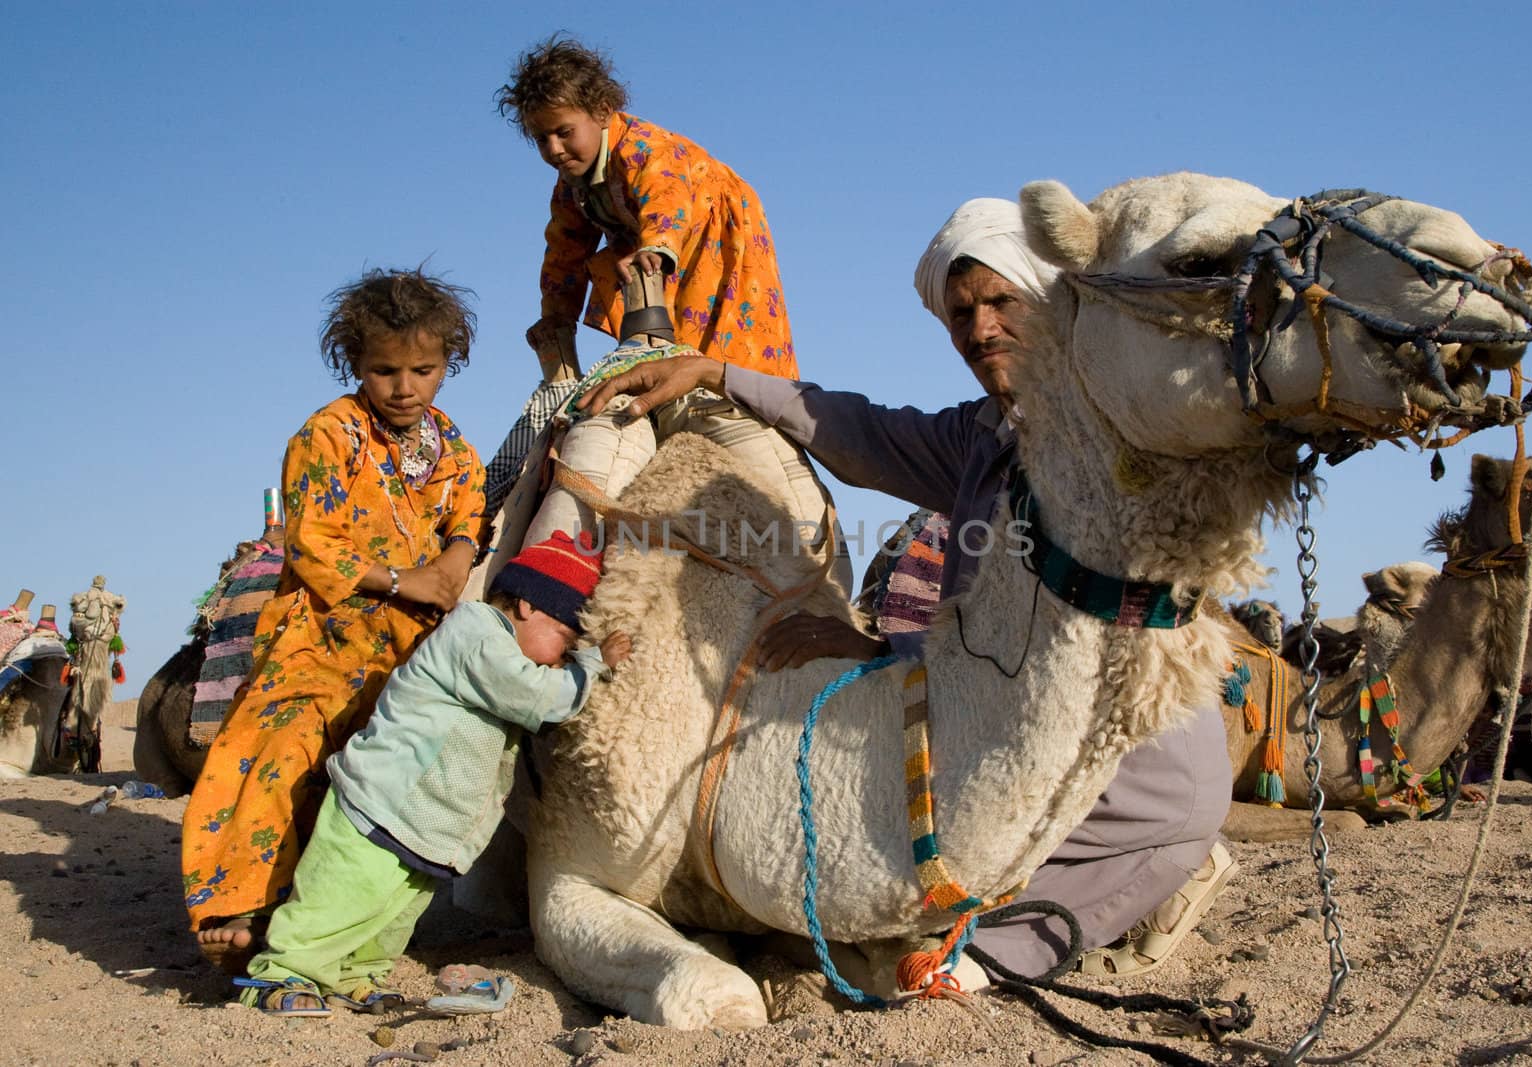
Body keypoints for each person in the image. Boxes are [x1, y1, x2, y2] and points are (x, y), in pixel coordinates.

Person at [574, 198, 1237, 979]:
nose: (981, 330)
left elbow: (1067, 635)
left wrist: (889, 643)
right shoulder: (981, 435)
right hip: (1010, 714)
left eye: (1001, 303)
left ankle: (1070, 918)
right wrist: (718, 372)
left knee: (977, 931)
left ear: (1048, 304)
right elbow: (862, 432)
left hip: (1128, 753)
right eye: (961, 314)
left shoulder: (1102, 439)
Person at [183, 268, 490, 973]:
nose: (404, 386)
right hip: (323, 631)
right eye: (385, 370)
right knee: (279, 742)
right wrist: (399, 578)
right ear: (356, 363)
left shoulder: (454, 449)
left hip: (412, 645)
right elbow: (313, 541)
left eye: (424, 369)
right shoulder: (324, 436)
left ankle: (355, 913)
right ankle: (242, 906)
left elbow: (467, 517)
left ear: (448, 365)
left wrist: (458, 558)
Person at [235, 533, 632, 1016]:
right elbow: (538, 696)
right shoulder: (477, 633)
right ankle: (283, 973)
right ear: (527, 606)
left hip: (424, 823)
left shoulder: (503, 650)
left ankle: (356, 974)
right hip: (383, 802)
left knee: (390, 914)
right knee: (341, 895)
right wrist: (592, 665)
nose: (558, 658)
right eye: (564, 642)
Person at [485, 36, 834, 570]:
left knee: (723, 339)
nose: (555, 148)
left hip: (709, 234)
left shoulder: (644, 148)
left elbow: (667, 200)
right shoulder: (572, 186)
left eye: (564, 132)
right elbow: (564, 249)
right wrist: (555, 317)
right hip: (658, 252)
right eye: (542, 138)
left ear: (602, 112)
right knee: (641, 297)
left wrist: (657, 248)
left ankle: (723, 386)